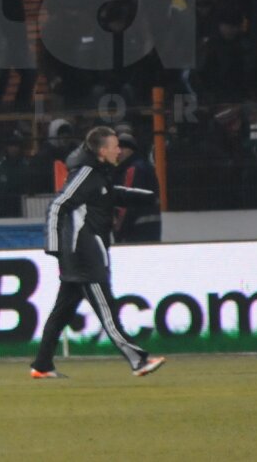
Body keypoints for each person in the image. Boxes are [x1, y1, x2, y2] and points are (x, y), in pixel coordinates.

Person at [31, 126, 167, 380]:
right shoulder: (86, 173)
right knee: (107, 309)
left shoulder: (97, 174)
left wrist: (145, 197)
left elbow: (108, 196)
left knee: (61, 313)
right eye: (115, 146)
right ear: (103, 151)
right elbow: (57, 205)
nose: (119, 150)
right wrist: (52, 244)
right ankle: (139, 360)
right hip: (85, 254)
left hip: (80, 253)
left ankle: (42, 364)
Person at [113, 133, 161, 243]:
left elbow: (126, 200)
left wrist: (118, 230)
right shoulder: (145, 166)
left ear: (131, 150)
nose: (118, 152)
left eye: (122, 148)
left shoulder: (132, 170)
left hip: (134, 229)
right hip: (151, 228)